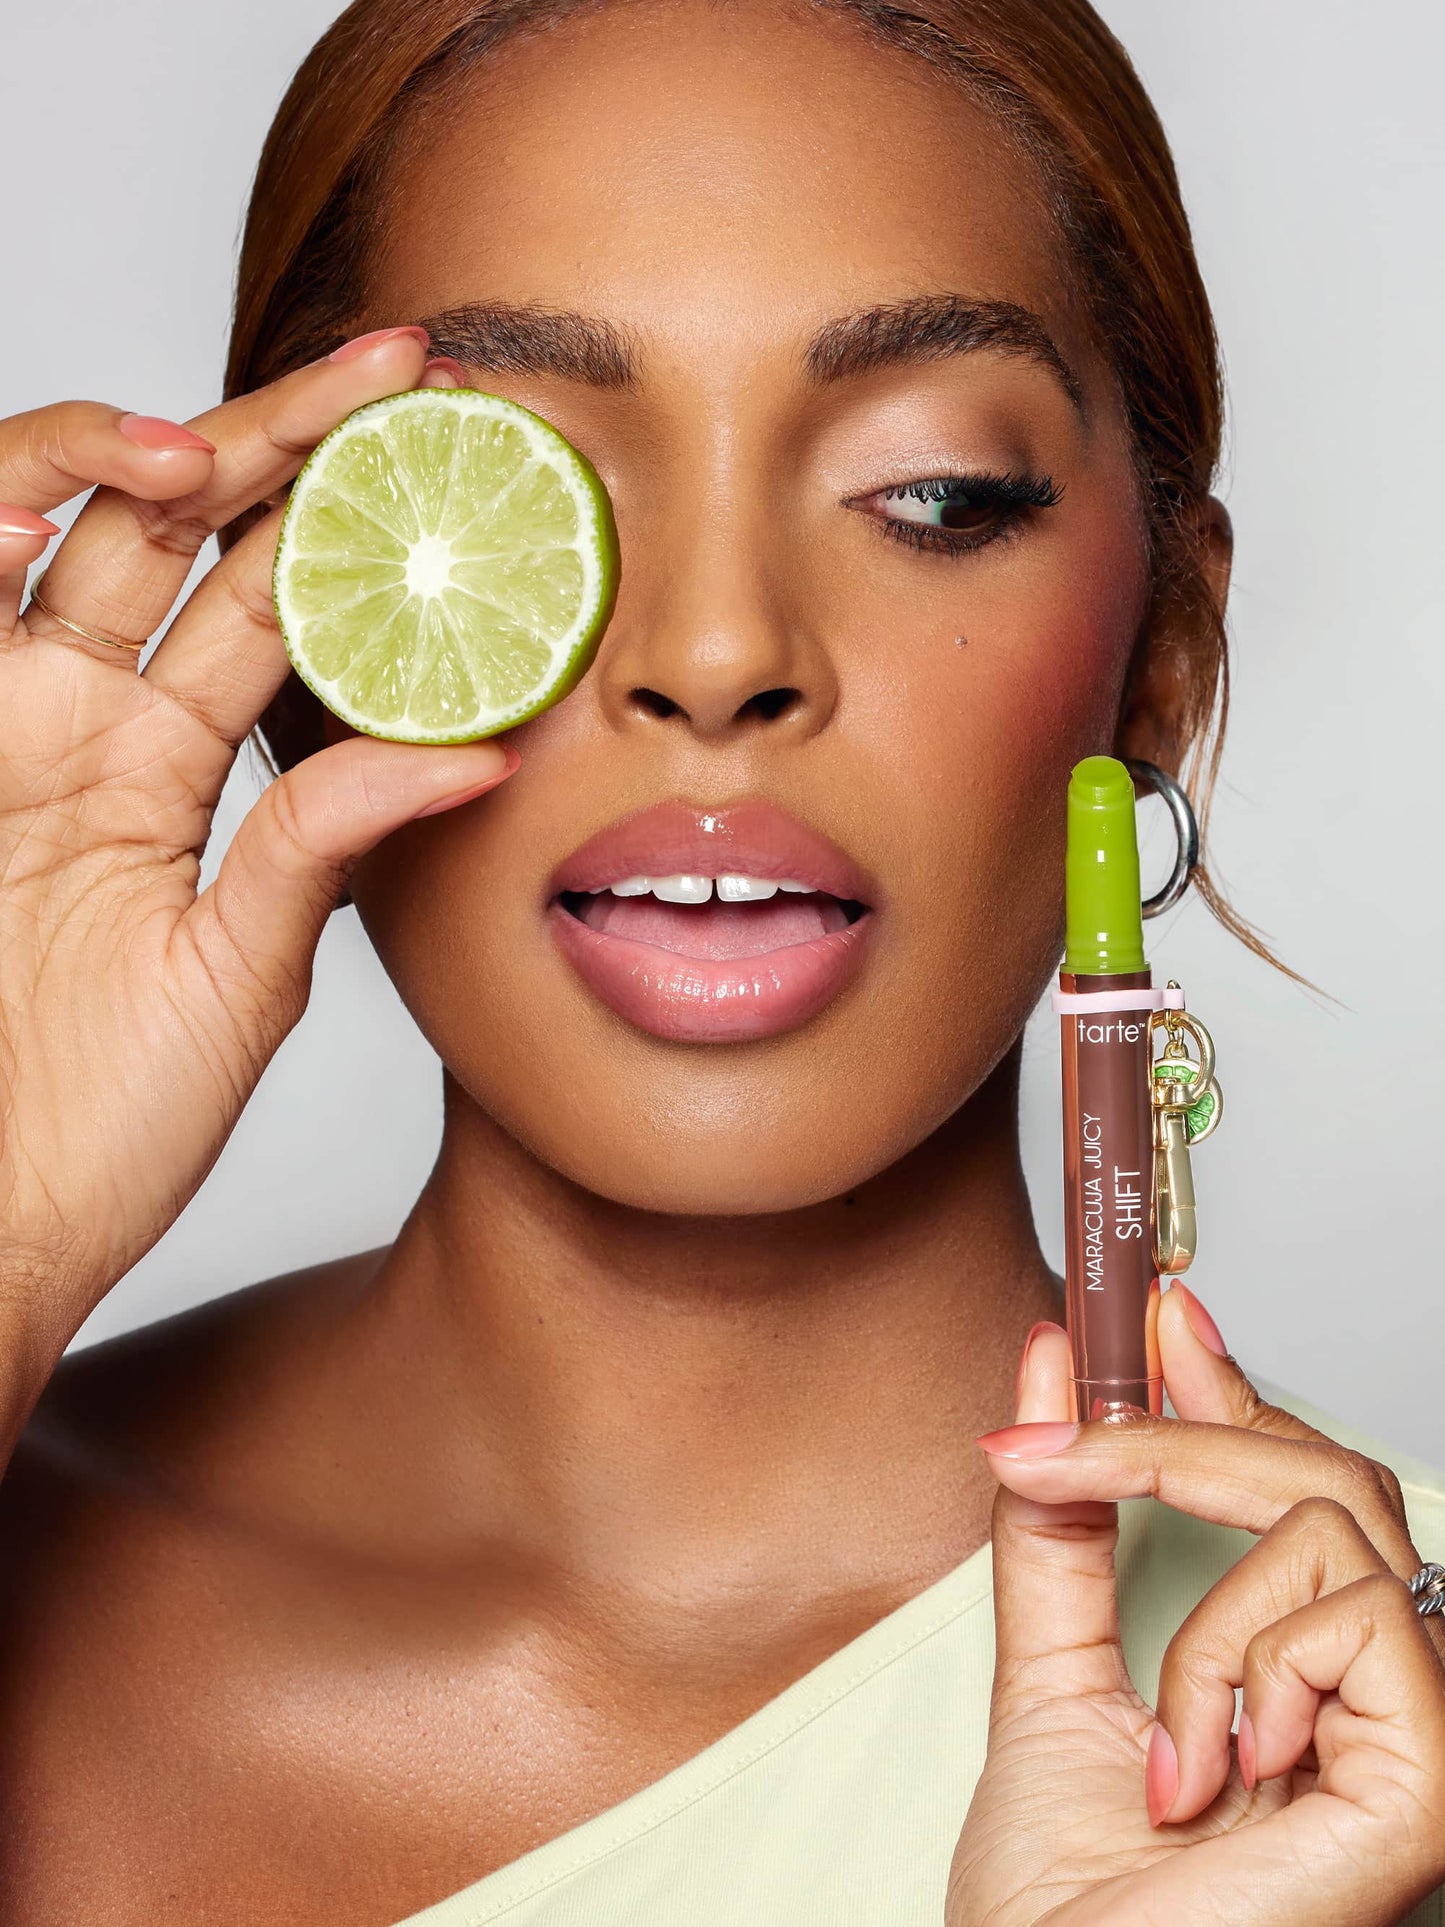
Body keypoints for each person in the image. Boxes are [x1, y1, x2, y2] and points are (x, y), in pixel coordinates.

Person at [0, 1, 1442, 1921]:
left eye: (932, 494)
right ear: (317, 614)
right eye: (535, 486)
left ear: (1161, 661)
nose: (712, 647)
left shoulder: (1377, 1751)